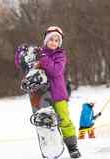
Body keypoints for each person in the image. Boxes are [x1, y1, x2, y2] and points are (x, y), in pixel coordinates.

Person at [38, 26, 81, 158]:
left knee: (63, 119)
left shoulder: (60, 55)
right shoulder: (39, 54)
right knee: (48, 121)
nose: (54, 42)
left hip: (58, 94)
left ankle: (72, 146)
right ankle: (50, 146)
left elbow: (56, 71)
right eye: (51, 39)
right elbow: (26, 66)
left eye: (57, 40)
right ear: (46, 40)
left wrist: (44, 60)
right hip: (43, 95)